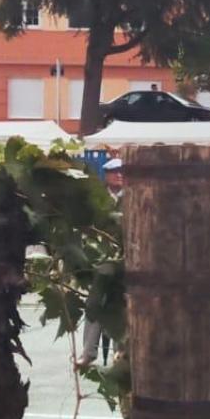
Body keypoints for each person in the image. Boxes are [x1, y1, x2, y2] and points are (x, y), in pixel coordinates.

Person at [76, 157, 123, 367]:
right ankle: (88, 352)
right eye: (114, 172)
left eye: (122, 171)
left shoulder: (133, 196)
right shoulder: (98, 198)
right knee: (94, 304)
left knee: (120, 306)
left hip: (124, 261)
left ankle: (121, 352)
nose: (119, 175)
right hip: (100, 260)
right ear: (107, 175)